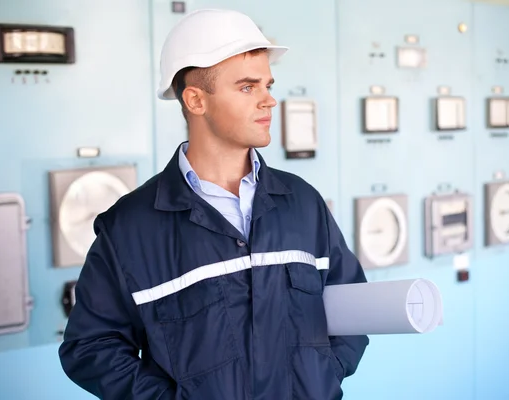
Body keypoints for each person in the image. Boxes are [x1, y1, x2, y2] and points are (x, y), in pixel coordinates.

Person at [59, 8, 369, 400]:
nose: (269, 100)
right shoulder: (129, 228)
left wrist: (324, 376)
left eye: (268, 85)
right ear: (195, 100)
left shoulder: (303, 202)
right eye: (247, 87)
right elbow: (90, 348)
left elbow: (353, 307)